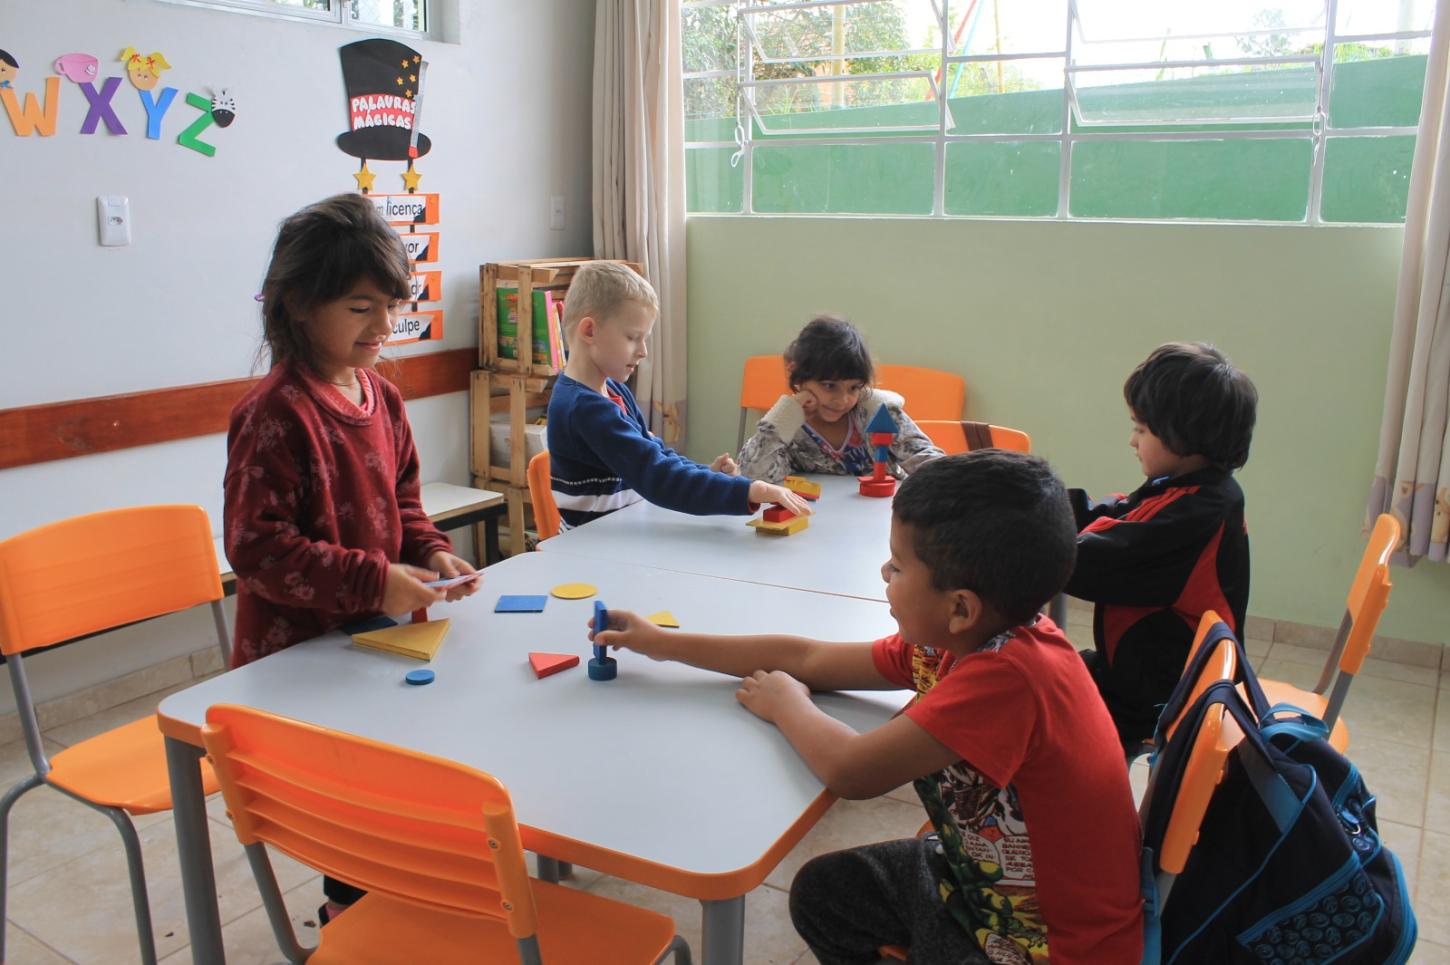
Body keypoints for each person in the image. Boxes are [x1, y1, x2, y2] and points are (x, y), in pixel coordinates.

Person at [593, 451, 1143, 964]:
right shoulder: (962, 638)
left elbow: (852, 771)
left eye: (899, 567)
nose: (884, 573)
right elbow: (806, 655)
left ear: (959, 607)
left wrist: (786, 703)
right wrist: (660, 643)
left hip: (1047, 945)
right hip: (974, 881)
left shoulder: (1009, 679)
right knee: (823, 894)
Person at [223, 192, 480, 922]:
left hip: (376, 637)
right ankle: (349, 915)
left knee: (395, 779)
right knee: (348, 800)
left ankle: (385, 901)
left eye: (392, 304)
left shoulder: (382, 396)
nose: (384, 325)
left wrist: (430, 551)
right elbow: (255, 547)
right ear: (300, 304)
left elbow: (403, 502)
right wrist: (376, 578)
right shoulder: (272, 413)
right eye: (361, 307)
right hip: (298, 655)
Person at [1065, 341, 1257, 746]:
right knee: (1046, 672)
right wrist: (1044, 502)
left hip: (1162, 697)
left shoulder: (1195, 512)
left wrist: (1017, 536)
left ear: (1182, 435)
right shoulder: (1191, 488)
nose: (1133, 441)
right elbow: (1116, 517)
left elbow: (1089, 563)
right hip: (1146, 676)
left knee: (1032, 693)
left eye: (1141, 429)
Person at [547, 261, 810, 529]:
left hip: (624, 531)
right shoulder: (583, 409)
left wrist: (708, 475)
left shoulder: (613, 390)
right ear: (590, 331)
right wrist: (750, 491)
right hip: (592, 547)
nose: (643, 351)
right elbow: (657, 475)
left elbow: (657, 455)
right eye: (633, 337)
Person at [737, 315, 944, 483]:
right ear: (796, 373)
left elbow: (929, 464)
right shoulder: (789, 427)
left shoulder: (876, 411)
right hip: (815, 523)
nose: (842, 400)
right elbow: (752, 476)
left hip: (879, 522)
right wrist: (784, 417)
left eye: (853, 388)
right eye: (829, 386)